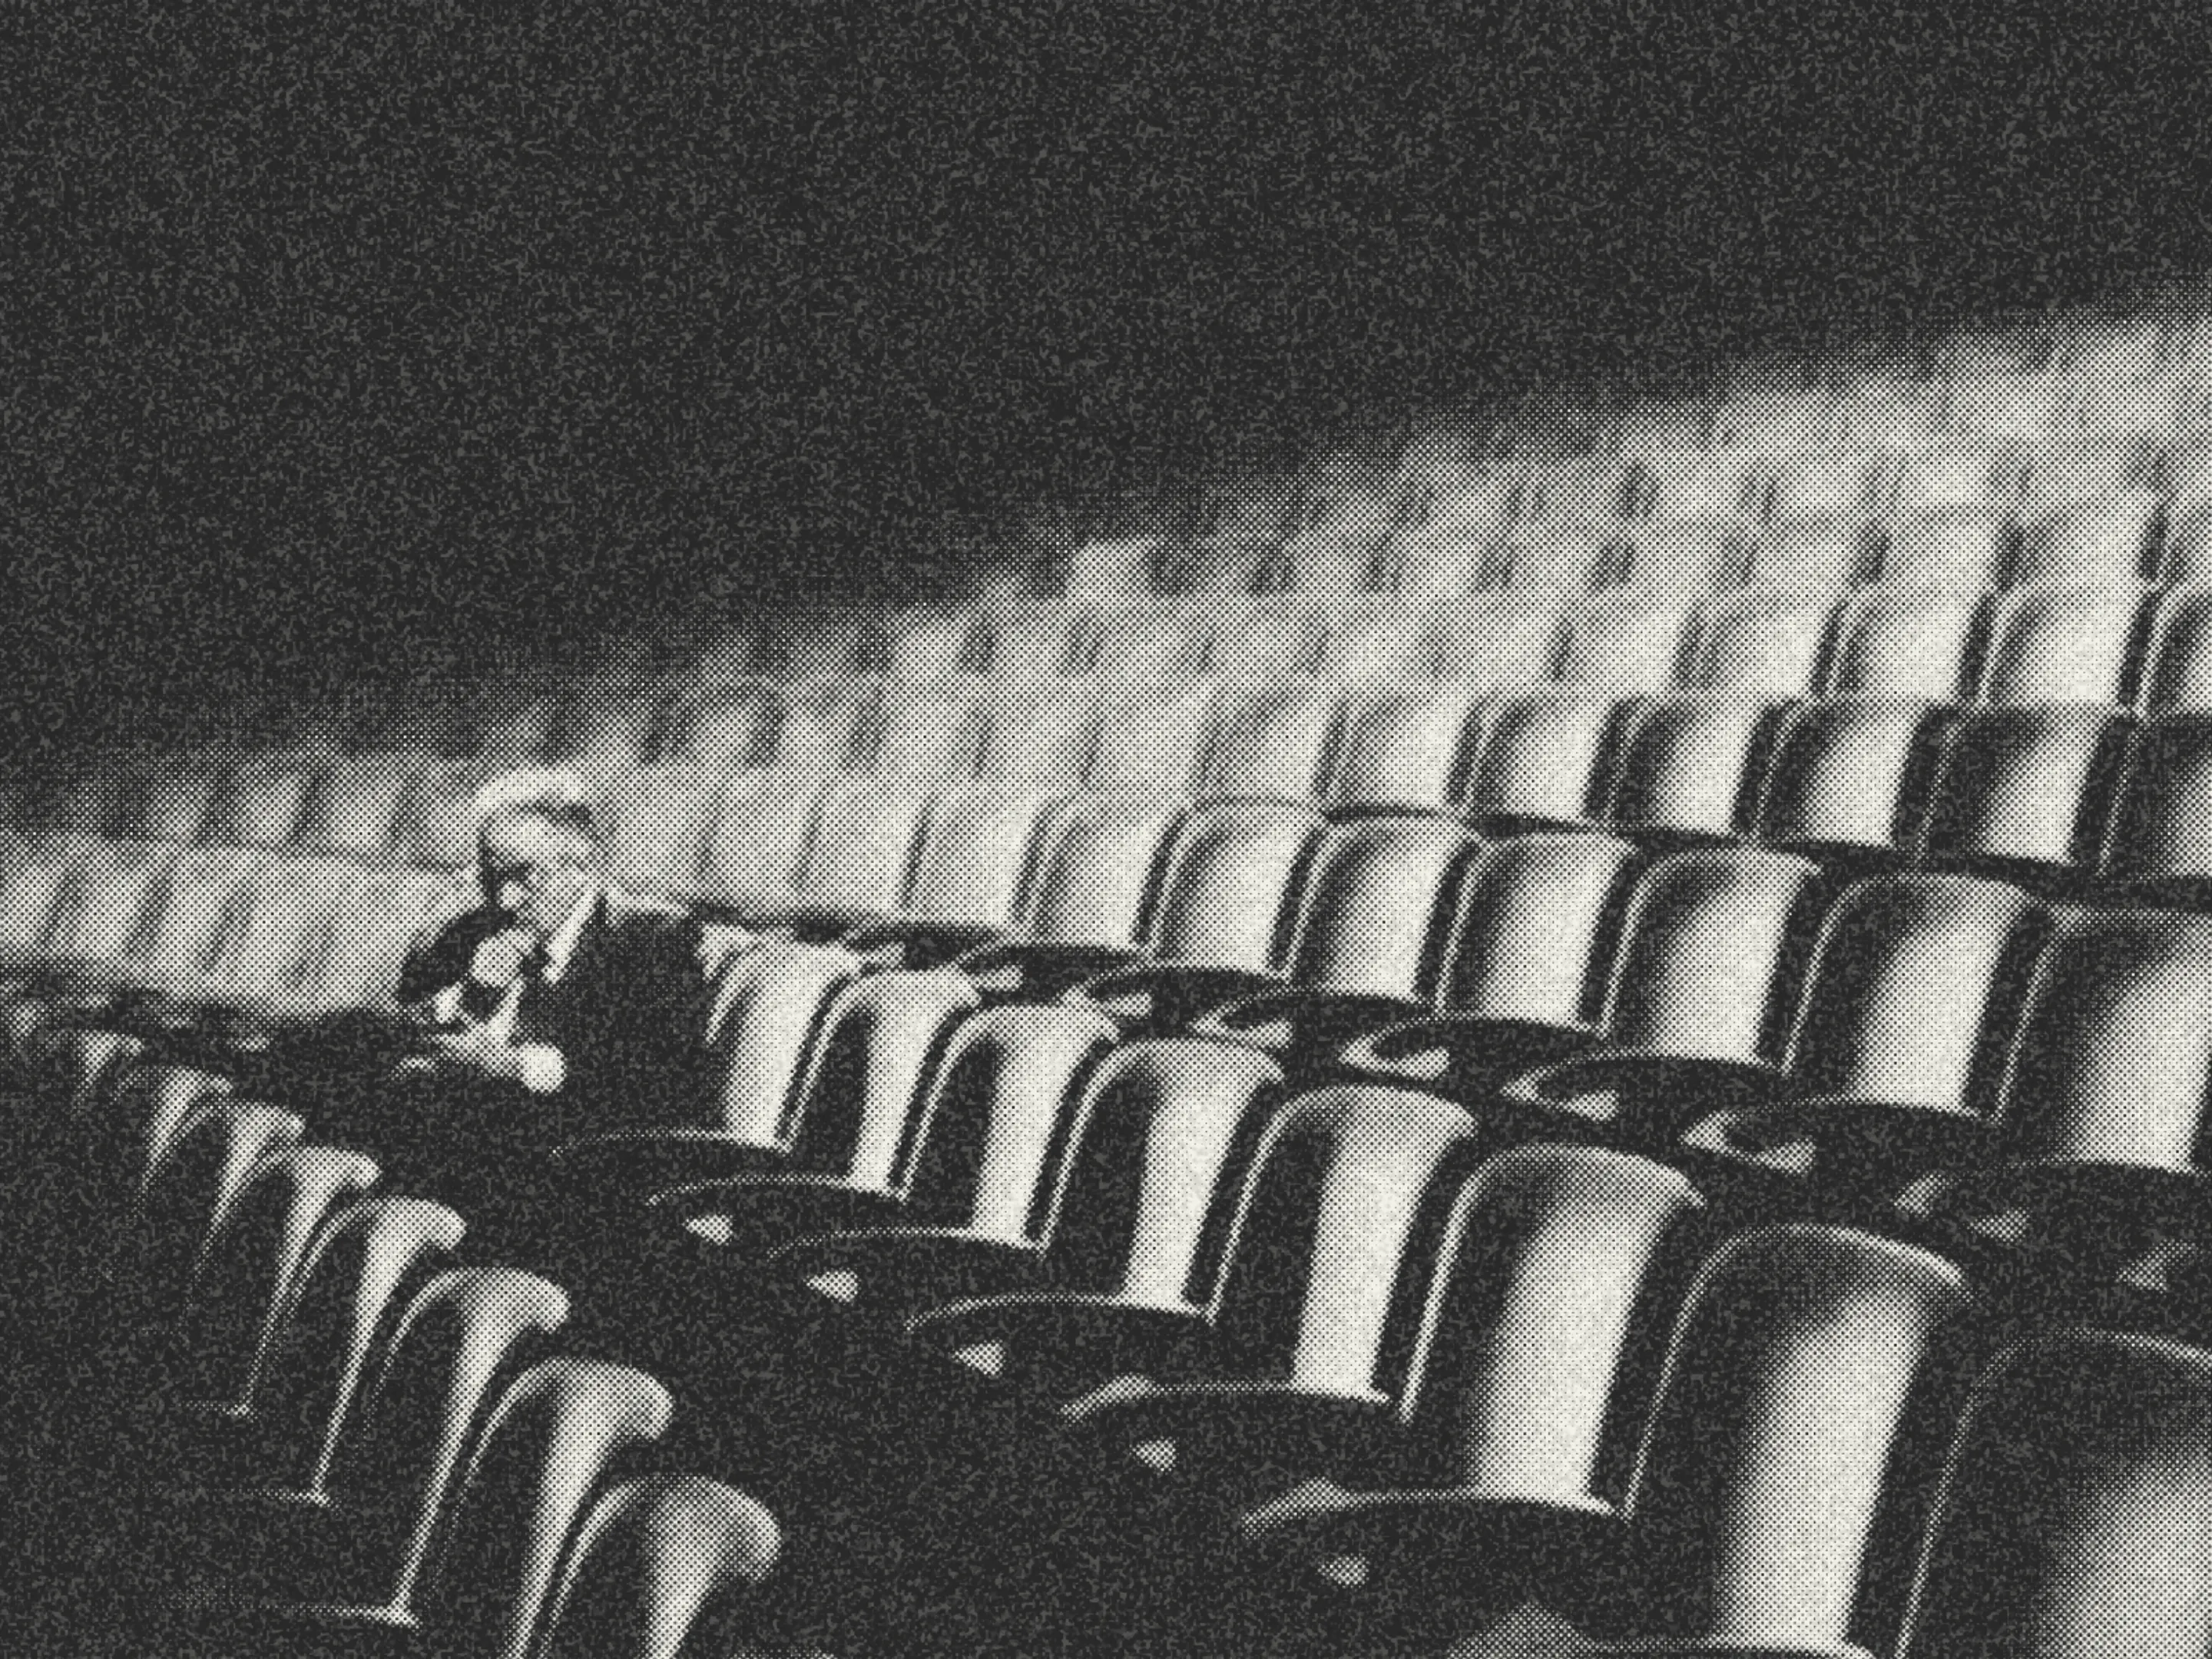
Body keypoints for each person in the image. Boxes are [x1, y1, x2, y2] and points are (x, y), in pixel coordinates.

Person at [385, 767, 723, 1180]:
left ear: (580, 867)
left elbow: (649, 1089)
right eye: (493, 878)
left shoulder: (655, 943)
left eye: (525, 876)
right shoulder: (466, 932)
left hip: (570, 1175)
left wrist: (511, 1067)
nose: (506, 898)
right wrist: (465, 997)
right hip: (445, 1149)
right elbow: (400, 1035)